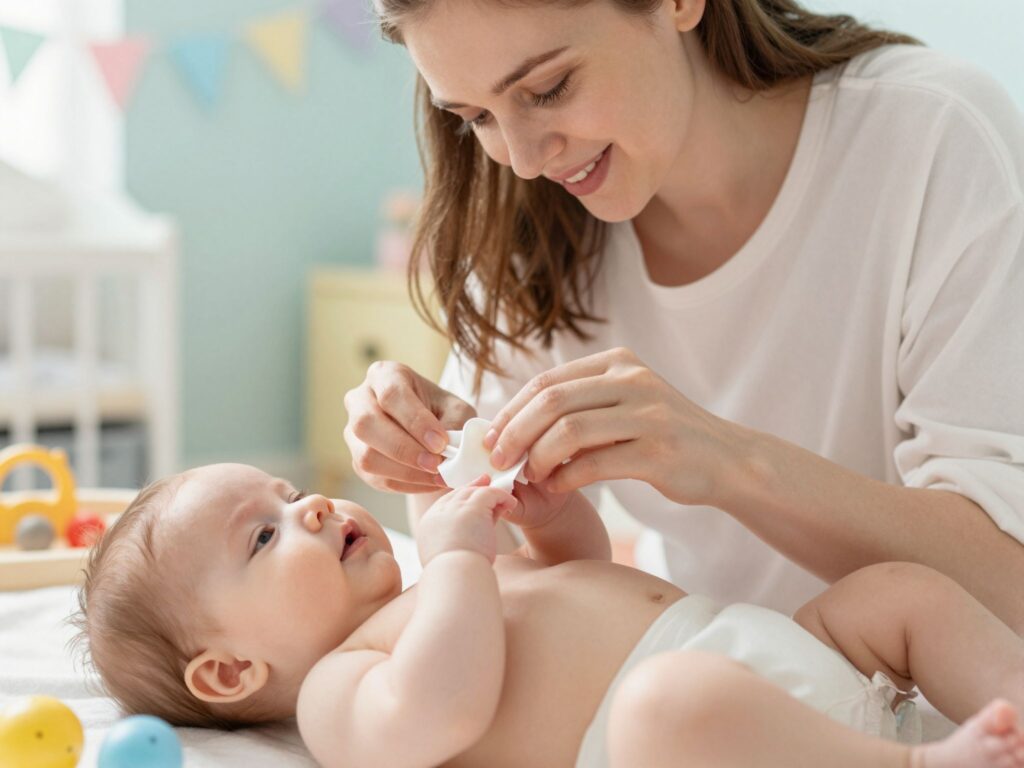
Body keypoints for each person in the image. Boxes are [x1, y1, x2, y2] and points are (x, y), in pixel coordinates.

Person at [342, 0, 1024, 630]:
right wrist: (436, 449)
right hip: (713, 707)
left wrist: (731, 464)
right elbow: (491, 582)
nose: (521, 159)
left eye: (549, 88)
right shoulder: (536, 232)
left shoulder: (934, 140)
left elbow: (1008, 583)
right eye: (477, 118)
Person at [75, 463, 1024, 767]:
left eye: (288, 493)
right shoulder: (336, 691)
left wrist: (550, 519)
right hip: (697, 737)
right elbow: (444, 709)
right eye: (264, 539)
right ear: (231, 673)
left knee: (897, 592)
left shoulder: (433, 596)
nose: (312, 509)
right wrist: (455, 557)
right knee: (669, 701)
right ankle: (920, 765)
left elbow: (586, 577)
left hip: (797, 659)